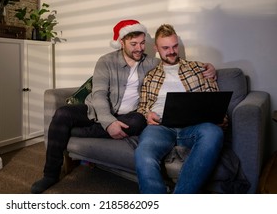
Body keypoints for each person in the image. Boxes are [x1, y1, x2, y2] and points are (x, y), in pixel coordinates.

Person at [31, 20, 216, 194]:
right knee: (62, 114)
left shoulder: (152, 63)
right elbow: (99, 95)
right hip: (98, 110)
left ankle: (72, 132)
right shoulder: (106, 61)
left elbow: (173, 64)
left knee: (137, 122)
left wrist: (207, 67)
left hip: (128, 116)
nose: (139, 48)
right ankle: (50, 175)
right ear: (121, 42)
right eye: (134, 44)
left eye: (142, 43)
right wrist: (109, 123)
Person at [135, 24, 226, 194]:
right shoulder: (150, 76)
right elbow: (142, 106)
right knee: (143, 153)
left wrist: (219, 118)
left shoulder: (199, 69)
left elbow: (215, 100)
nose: (171, 51)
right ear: (156, 48)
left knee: (214, 132)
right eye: (166, 48)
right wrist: (147, 114)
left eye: (175, 46)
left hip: (193, 127)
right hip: (160, 127)